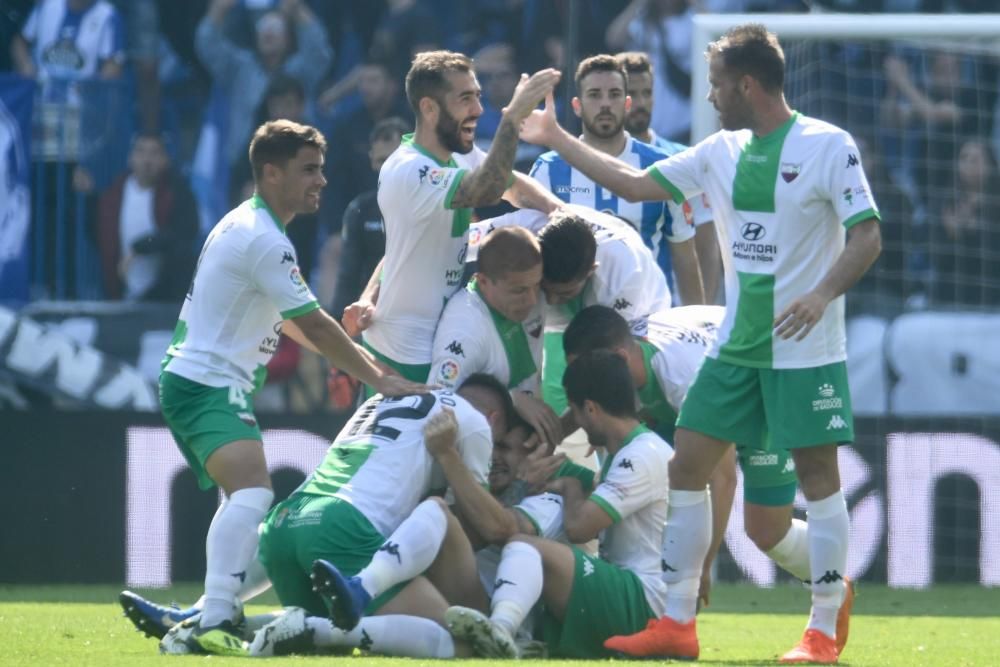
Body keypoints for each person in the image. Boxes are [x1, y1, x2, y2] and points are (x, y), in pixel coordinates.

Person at [519, 23, 881, 664]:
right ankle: (678, 623)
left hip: (804, 349)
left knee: (814, 485)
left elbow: (867, 236)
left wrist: (822, 294)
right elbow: (632, 184)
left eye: (716, 85)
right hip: (734, 351)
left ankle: (823, 628)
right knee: (686, 465)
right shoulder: (719, 151)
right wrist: (553, 138)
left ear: (746, 84)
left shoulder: (829, 146)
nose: (710, 97)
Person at [156, 119, 428, 655]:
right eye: (308, 170)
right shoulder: (265, 241)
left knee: (243, 495)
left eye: (322, 169)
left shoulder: (250, 226)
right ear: (271, 173)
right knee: (255, 492)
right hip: (207, 384)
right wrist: (377, 376)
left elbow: (293, 322)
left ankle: (211, 615)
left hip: (198, 380)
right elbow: (320, 324)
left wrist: (354, 362)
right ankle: (213, 617)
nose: (321, 181)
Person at [563, 304, 854, 641]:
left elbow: (723, 478)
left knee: (766, 531)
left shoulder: (681, 376)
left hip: (763, 397)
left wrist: (703, 566)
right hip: (728, 371)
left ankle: (832, 584)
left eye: (587, 375)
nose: (584, 387)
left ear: (620, 357)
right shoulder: (628, 361)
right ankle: (667, 616)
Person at [342, 50, 563, 392]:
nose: (477, 109)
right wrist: (512, 119)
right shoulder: (408, 169)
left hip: (446, 337)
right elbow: (488, 187)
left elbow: (511, 183)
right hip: (402, 355)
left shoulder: (460, 155)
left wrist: (558, 213)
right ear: (429, 108)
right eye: (465, 99)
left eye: (477, 96)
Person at [250, 376, 512, 658]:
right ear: (494, 420)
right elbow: (483, 525)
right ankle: (314, 625)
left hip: (285, 521)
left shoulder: (382, 399)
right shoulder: (474, 422)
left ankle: (233, 623)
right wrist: (449, 456)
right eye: (500, 444)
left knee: (330, 650)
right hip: (340, 525)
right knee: (463, 644)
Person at [445, 350, 672, 659]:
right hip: (629, 591)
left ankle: (500, 629)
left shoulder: (641, 455)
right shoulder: (625, 453)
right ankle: (513, 636)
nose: (572, 423)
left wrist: (567, 487)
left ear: (590, 408)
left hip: (643, 598)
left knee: (524, 545)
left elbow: (579, 527)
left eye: (573, 412)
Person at [529, 54, 703, 307]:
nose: (605, 104)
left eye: (614, 94)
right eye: (595, 95)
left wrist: (696, 326)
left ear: (627, 103)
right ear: (577, 105)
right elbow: (530, 253)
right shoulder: (548, 170)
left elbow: (685, 255)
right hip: (566, 325)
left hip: (646, 324)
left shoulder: (662, 167)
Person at [429, 225, 561, 446]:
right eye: (519, 290)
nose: (531, 300)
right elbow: (436, 407)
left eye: (536, 285)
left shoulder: (534, 296)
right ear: (483, 281)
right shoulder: (465, 332)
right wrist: (511, 400)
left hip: (528, 445)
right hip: (489, 460)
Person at [617, 50, 722, 303]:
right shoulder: (595, 163)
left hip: (667, 311)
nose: (641, 103)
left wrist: (701, 316)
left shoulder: (682, 159)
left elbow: (707, 245)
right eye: (632, 93)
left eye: (647, 93)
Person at [194, 0, 332, 167]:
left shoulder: (301, 70)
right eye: (264, 28)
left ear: (287, 38)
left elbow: (320, 51)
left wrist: (298, 9)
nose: (268, 33)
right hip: (248, 161)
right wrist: (218, 9)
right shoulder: (240, 69)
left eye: (275, 29)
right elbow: (208, 45)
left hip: (298, 157)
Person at [95, 132, 198, 301]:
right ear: (130, 158)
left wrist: (139, 248)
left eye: (154, 153)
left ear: (165, 160)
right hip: (121, 293)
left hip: (163, 297)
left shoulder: (177, 194)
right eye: (141, 152)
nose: (147, 160)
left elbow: (182, 234)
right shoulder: (114, 196)